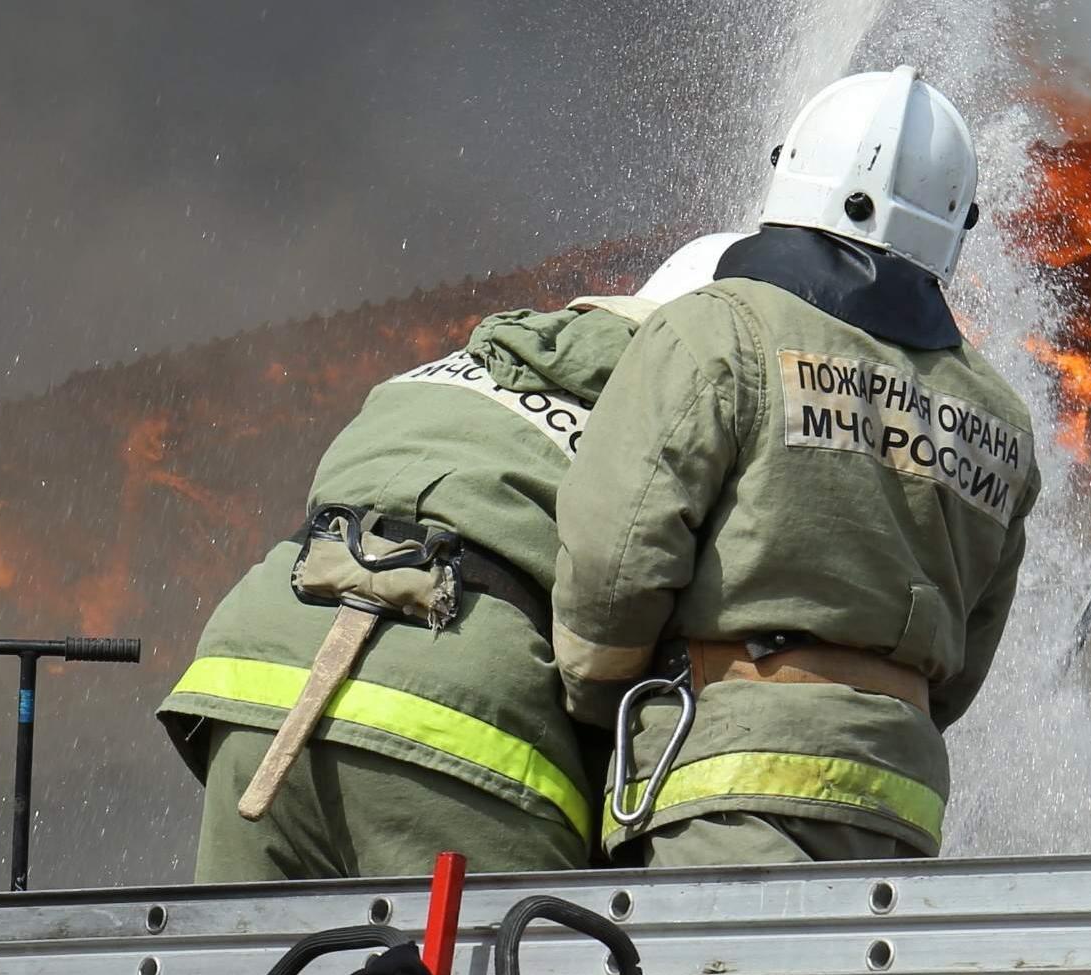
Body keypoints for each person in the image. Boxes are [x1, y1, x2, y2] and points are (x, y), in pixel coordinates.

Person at [550, 67, 1039, 866]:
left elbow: (615, 561)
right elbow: (965, 659)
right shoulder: (1002, 418)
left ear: (793, 170)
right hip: (899, 809)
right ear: (955, 223)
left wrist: (602, 708)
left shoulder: (714, 332)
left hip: (724, 788)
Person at [155, 234, 744, 880]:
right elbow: (639, 616)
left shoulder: (449, 367)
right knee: (523, 951)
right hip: (456, 721)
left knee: (245, 948)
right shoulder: (688, 409)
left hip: (254, 682)